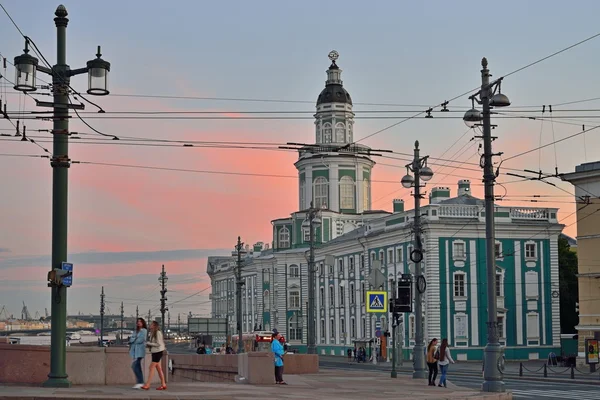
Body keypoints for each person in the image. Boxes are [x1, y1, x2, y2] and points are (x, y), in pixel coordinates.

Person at [141, 321, 167, 391]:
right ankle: (163, 384)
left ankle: (148, 384)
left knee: (151, 367)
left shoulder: (157, 333)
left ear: (154, 326)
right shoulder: (152, 333)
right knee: (159, 369)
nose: (150, 325)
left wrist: (149, 343)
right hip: (155, 352)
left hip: (158, 351)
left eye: (151, 324)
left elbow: (158, 344)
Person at [128, 318, 147, 390]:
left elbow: (141, 340)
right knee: (137, 366)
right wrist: (134, 339)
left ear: (143, 323)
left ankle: (140, 382)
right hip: (134, 351)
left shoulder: (144, 331)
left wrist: (134, 339)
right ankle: (140, 382)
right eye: (138, 322)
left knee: (134, 366)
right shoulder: (135, 331)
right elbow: (131, 339)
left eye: (140, 322)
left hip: (140, 351)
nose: (139, 323)